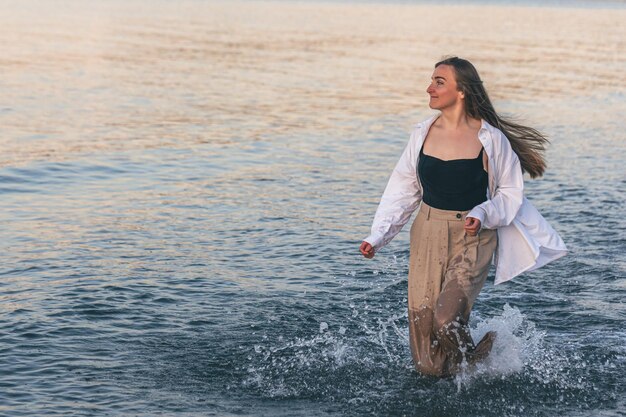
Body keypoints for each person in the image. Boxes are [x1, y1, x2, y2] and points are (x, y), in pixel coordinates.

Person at [359, 57, 567, 377]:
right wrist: (377, 236)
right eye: (431, 80)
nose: (429, 87)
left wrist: (483, 213)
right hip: (427, 231)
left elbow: (510, 194)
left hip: (473, 235)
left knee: (445, 320)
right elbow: (403, 189)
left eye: (439, 82)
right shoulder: (421, 133)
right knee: (428, 365)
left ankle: (474, 362)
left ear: (462, 92)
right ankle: (468, 364)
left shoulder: (490, 139)